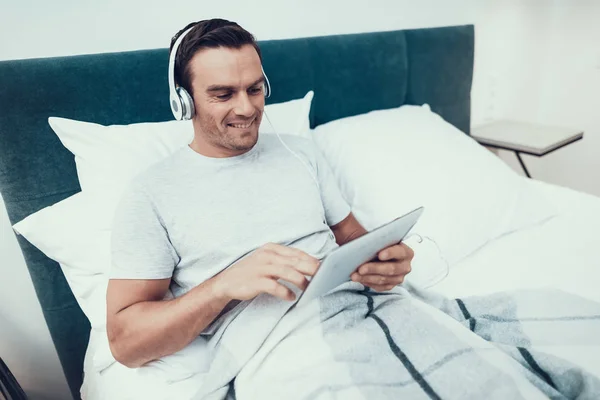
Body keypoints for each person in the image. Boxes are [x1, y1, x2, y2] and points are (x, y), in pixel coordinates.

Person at [105, 18, 414, 370]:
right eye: (223, 95)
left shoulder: (301, 152)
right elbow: (125, 343)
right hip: (282, 351)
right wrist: (222, 286)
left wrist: (382, 260)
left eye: (254, 89)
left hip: (364, 310)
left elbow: (352, 236)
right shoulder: (150, 194)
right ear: (183, 102)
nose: (247, 108)